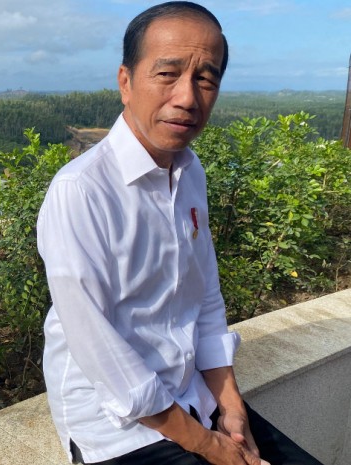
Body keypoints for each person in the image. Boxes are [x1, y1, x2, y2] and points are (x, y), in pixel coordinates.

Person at [36, 2, 323, 465]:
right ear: (125, 82)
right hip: (121, 428)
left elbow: (204, 296)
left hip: (195, 396)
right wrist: (209, 446)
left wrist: (230, 405)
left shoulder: (190, 173)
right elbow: (100, 350)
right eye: (167, 74)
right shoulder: (81, 191)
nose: (187, 98)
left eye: (205, 79)